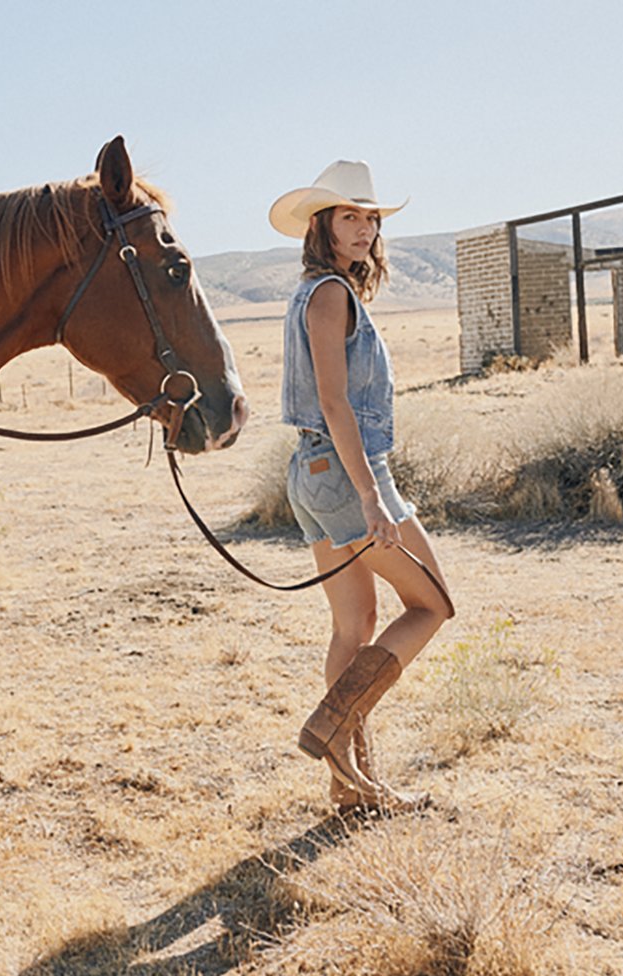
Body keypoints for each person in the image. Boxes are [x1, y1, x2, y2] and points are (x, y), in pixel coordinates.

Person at [268, 160, 454, 813]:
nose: (364, 229)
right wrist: (372, 497)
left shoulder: (313, 292)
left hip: (312, 474)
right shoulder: (330, 294)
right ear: (321, 225)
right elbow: (334, 402)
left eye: (370, 218)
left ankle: (351, 789)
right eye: (349, 216)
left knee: (354, 626)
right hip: (348, 474)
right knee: (432, 605)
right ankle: (335, 726)